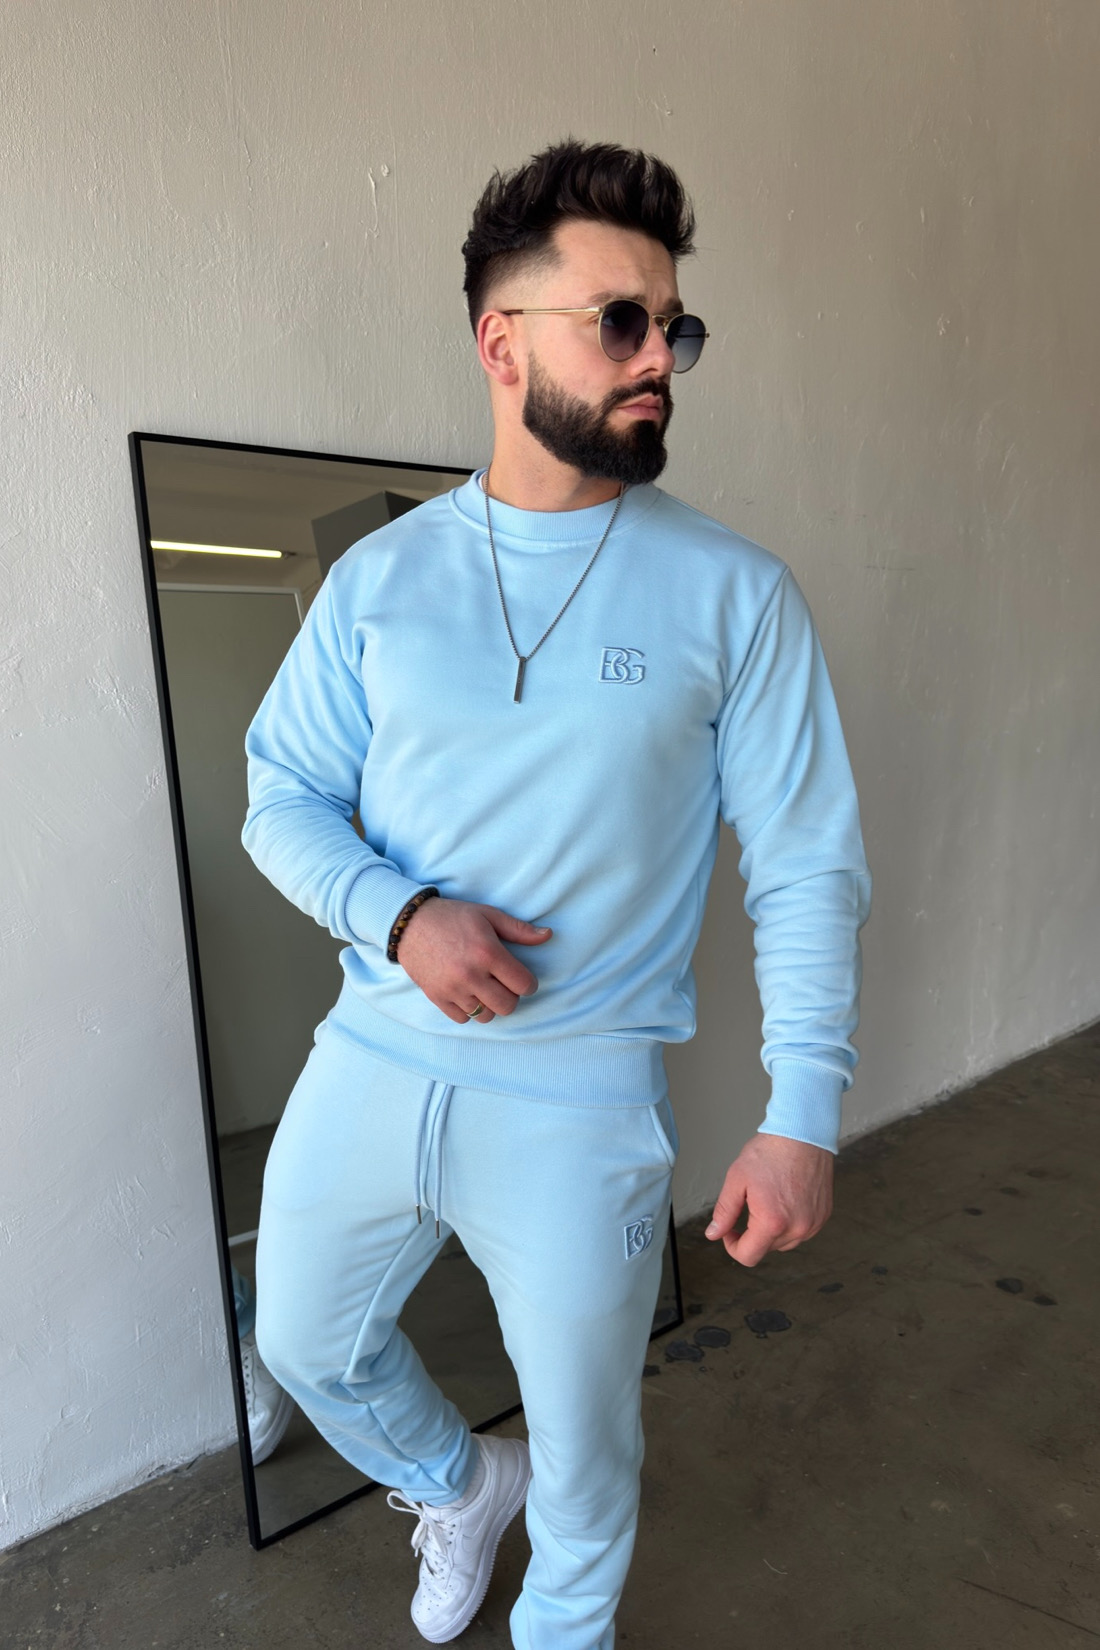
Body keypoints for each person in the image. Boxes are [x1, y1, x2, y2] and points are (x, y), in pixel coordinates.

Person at [241, 138, 871, 1650]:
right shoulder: (381, 582)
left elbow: (806, 860)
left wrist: (803, 1110)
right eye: (621, 321)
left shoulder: (736, 595)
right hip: (373, 1050)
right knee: (306, 1340)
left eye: (674, 328)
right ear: (501, 341)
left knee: (590, 1462)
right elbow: (280, 794)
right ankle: (460, 1486)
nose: (661, 359)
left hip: (582, 1100)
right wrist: (400, 917)